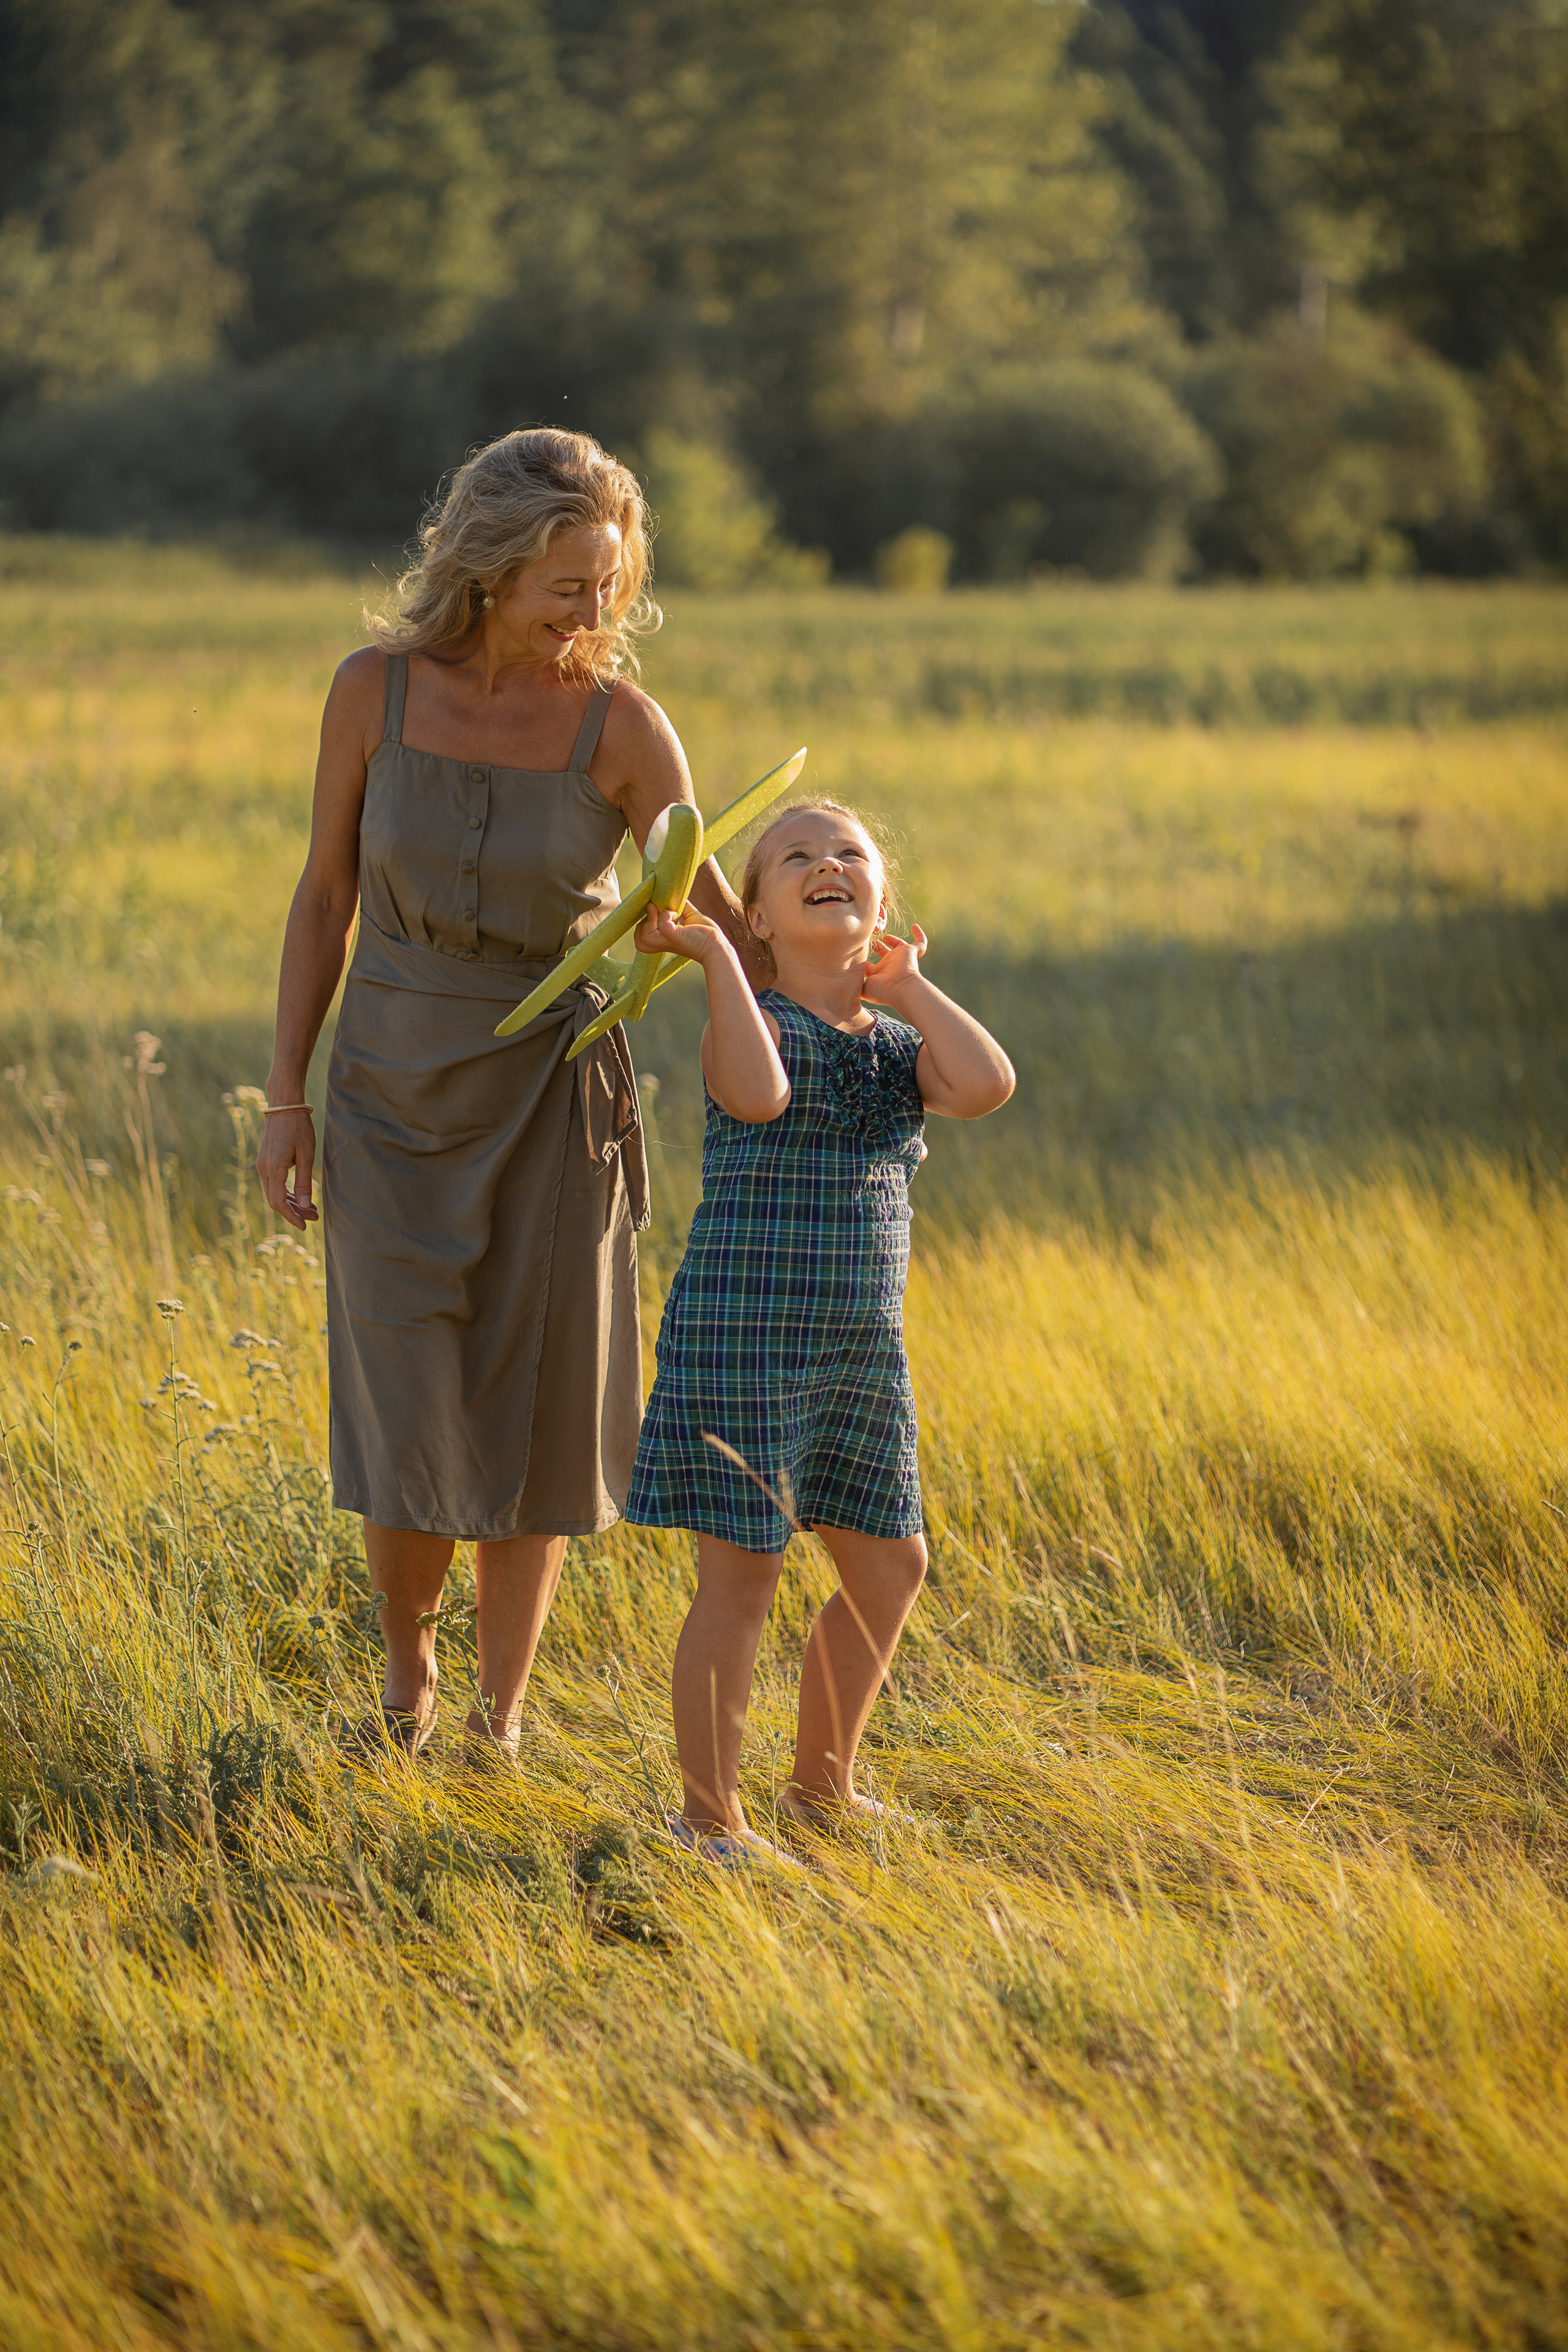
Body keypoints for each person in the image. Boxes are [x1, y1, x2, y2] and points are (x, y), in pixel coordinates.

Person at [255, 428, 766, 1763]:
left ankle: (503, 1715)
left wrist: (843, 944)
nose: (594, 613)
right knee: (405, 1391)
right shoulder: (372, 691)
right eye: (568, 585)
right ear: (487, 568)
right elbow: (323, 901)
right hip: (384, 1093)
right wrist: (283, 1103)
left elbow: (725, 925)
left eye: (611, 584)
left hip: (554, 1104)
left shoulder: (626, 731)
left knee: (534, 1407)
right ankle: (405, 1671)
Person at [624, 798, 1016, 1861]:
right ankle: (710, 1819)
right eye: (792, 856)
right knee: (742, 1576)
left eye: (850, 853)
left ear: (884, 902)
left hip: (855, 1353)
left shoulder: (898, 1046)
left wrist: (913, 988)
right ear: (756, 915)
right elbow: (758, 1096)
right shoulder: (748, 1020)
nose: (825, 863)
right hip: (746, 1337)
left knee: (891, 1566)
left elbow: (986, 1084)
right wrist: (713, 962)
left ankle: (822, 1790)